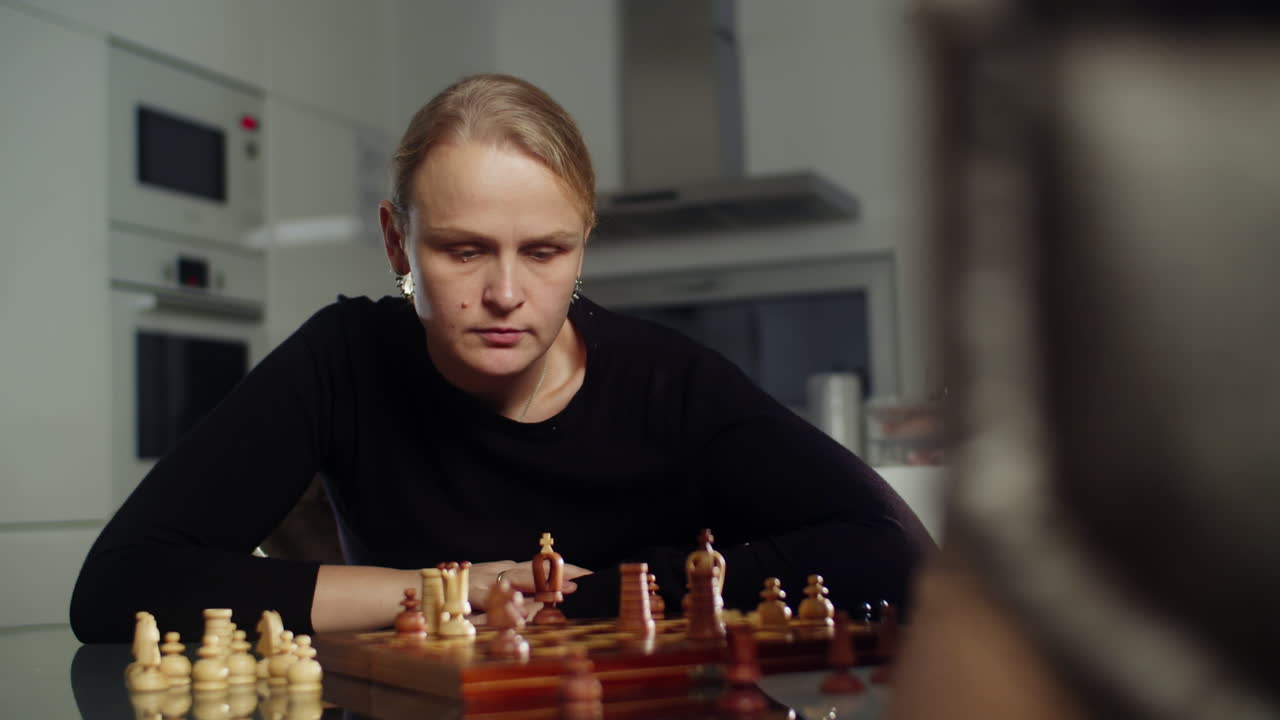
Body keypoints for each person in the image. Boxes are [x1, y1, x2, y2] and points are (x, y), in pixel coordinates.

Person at [70, 74, 931, 643]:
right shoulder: (344, 357)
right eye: (464, 249)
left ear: (583, 247)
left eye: (546, 251)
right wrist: (457, 590)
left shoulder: (671, 382)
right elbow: (117, 587)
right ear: (397, 244)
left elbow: (899, 553)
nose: (507, 294)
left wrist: (591, 594)